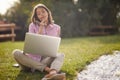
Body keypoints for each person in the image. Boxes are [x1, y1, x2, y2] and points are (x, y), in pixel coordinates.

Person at [12, 3, 66, 80]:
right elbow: (32, 43)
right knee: (16, 52)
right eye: (38, 14)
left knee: (61, 55)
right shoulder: (32, 25)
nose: (41, 14)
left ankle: (53, 73)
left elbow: (55, 45)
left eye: (43, 11)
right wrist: (40, 28)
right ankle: (47, 69)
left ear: (48, 12)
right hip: (30, 62)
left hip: (45, 60)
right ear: (36, 16)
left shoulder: (57, 28)